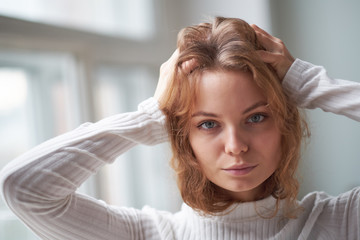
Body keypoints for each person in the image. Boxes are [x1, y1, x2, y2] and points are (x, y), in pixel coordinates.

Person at [1, 16, 360, 239]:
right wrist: (153, 116)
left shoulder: (342, 222)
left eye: (255, 117)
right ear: (182, 135)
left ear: (284, 122)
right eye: (207, 124)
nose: (235, 146)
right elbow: (23, 188)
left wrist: (309, 83)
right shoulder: (145, 235)